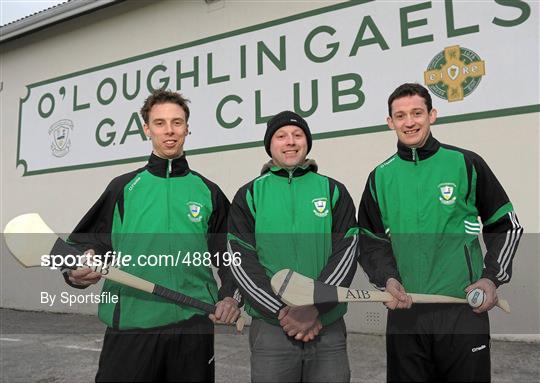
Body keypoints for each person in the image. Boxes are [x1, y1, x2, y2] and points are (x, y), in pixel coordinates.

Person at [61, 89, 241, 382]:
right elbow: (83, 246)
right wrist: (76, 271)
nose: (169, 130)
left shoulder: (209, 192)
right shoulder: (122, 189)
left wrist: (230, 297)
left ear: (187, 127)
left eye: (177, 122)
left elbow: (231, 256)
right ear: (146, 128)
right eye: (159, 123)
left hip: (192, 326)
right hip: (132, 325)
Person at [357, 83, 523, 382]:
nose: (409, 122)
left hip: (461, 311)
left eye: (417, 113)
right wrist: (388, 279)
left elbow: (506, 225)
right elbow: (370, 241)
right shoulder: (380, 177)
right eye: (401, 115)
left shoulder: (466, 163)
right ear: (390, 122)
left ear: (432, 115)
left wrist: (491, 277)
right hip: (405, 312)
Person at [228, 111, 358, 382]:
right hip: (272, 325)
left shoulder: (333, 190)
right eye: (281, 136)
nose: (290, 142)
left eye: (297, 135)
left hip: (327, 322)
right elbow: (240, 260)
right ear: (270, 145)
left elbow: (346, 251)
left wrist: (314, 306)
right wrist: (282, 311)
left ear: (307, 142)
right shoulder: (249, 195)